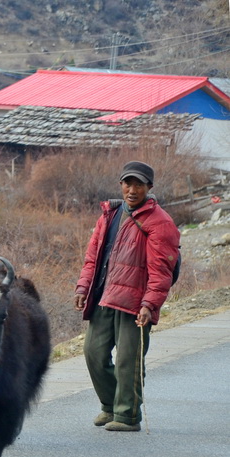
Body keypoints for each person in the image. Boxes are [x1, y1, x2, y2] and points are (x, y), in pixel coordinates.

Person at [73, 161, 181, 432]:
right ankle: (110, 405)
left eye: (139, 185)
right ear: (121, 184)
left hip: (135, 303)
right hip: (104, 296)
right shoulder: (109, 214)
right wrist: (83, 288)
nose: (132, 190)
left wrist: (149, 304)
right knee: (93, 354)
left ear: (149, 188)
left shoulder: (160, 223)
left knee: (127, 361)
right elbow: (92, 259)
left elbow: (161, 271)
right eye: (127, 183)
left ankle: (127, 415)